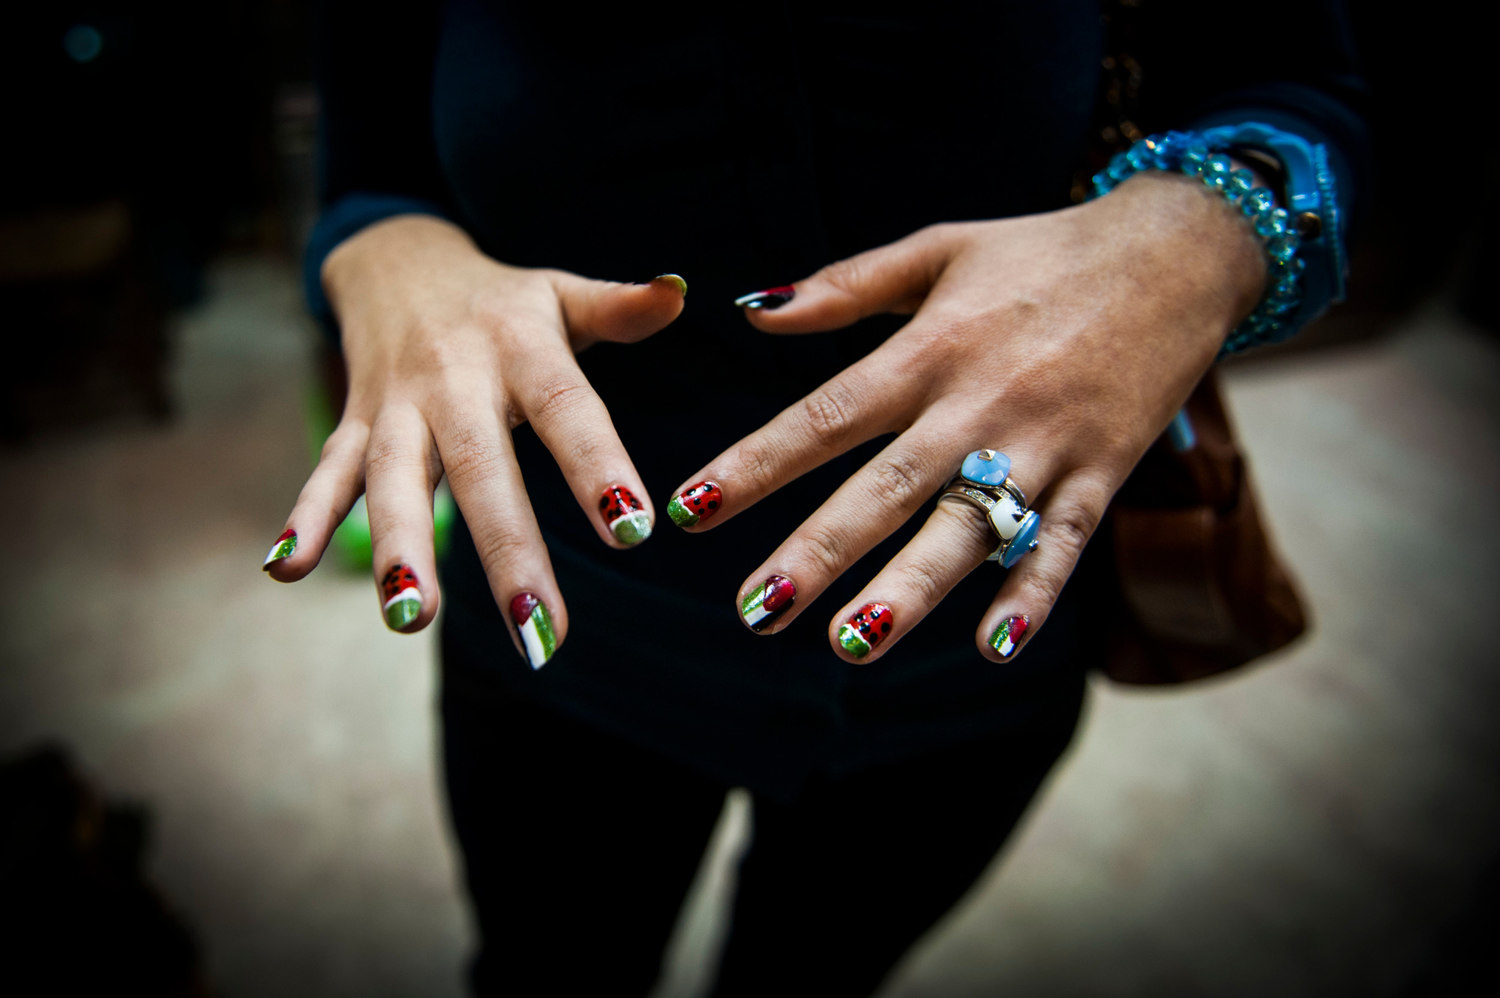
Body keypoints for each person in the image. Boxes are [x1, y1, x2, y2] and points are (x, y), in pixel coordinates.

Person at [264, 3, 1368, 994]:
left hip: (973, 643)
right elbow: (372, 171)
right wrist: (384, 254)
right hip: (561, 628)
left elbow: (1305, 93)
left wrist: (1196, 239)